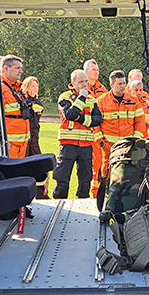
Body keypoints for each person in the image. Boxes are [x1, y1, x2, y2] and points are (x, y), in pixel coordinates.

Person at [52, 69, 103, 199]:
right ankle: (58, 204)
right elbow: (69, 114)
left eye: (86, 81)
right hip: (68, 144)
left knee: (85, 181)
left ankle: (83, 205)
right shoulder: (65, 97)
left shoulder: (91, 99)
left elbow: (98, 120)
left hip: (86, 145)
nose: (84, 84)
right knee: (62, 179)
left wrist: (80, 119)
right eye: (81, 82)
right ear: (73, 83)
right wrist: (81, 98)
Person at [95, 70, 147, 187]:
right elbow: (95, 125)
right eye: (119, 84)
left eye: (124, 83)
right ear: (112, 85)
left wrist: (135, 141)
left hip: (128, 147)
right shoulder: (102, 101)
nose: (123, 86)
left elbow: (140, 122)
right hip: (109, 148)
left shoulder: (133, 101)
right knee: (107, 177)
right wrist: (102, 143)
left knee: (128, 178)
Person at [83, 59, 108, 192]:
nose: (96, 72)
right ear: (86, 72)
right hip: (85, 133)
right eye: (93, 69)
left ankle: (98, 193)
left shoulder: (102, 89)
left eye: (97, 69)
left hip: (99, 134)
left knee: (101, 164)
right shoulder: (82, 88)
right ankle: (90, 193)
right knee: (88, 167)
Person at [0, 55, 30, 159]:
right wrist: (4, 141)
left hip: (21, 145)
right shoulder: (1, 89)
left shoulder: (16, 88)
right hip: (10, 146)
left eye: (21, 68)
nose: (21, 71)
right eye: (17, 68)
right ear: (6, 68)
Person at [21, 76, 44, 157]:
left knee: (38, 160)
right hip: (24, 138)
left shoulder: (39, 104)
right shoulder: (22, 102)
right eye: (33, 86)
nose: (35, 88)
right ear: (26, 87)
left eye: (36, 86)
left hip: (34, 138)